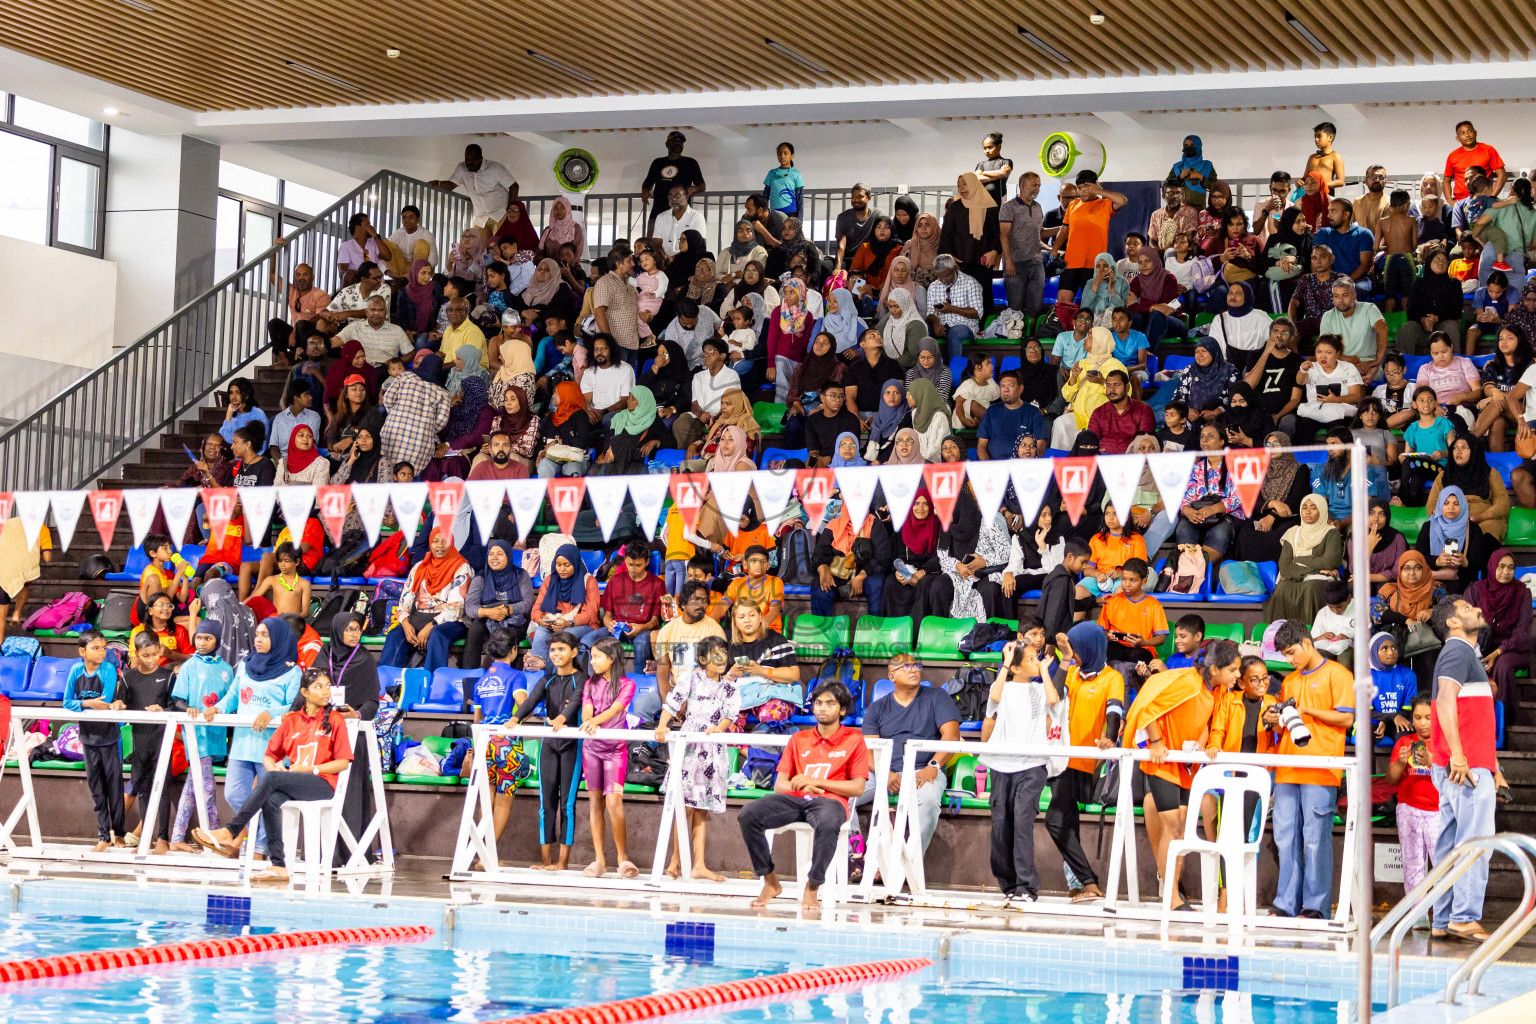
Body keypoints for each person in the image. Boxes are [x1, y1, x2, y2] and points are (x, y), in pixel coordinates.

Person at [193, 667, 352, 882]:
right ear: (304, 692)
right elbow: (269, 756)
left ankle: (230, 831)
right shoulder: (292, 720)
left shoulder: (335, 720)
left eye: (327, 687)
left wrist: (312, 769)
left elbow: (342, 762)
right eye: (318, 687)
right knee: (271, 799)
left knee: (272, 779)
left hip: (322, 783)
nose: (325, 691)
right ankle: (279, 865)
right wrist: (272, 767)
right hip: (296, 780)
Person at [1122, 641, 1243, 907]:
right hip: (1163, 760)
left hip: (1185, 765)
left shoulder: (1214, 689)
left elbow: (1203, 721)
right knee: (1172, 825)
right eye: (1233, 669)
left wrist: (1201, 743)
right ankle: (1171, 896)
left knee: (1182, 825)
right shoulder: (1189, 682)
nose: (1237, 674)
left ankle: (1174, 891)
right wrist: (1155, 743)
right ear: (1214, 669)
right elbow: (1149, 709)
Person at [739, 679, 869, 911]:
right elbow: (780, 785)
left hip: (831, 802)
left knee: (829, 823)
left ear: (842, 709)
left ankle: (812, 886)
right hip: (797, 798)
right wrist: (802, 787)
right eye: (818, 703)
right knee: (749, 814)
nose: (822, 708)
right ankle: (770, 882)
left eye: (830, 703)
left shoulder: (854, 739)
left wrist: (815, 782)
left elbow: (858, 788)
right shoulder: (799, 738)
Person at [1269, 619, 1357, 918]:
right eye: (1285, 655)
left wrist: (1307, 712)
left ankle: (1315, 907)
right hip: (1287, 767)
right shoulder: (1290, 681)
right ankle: (1285, 904)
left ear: (1308, 644)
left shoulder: (1338, 674)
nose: (1289, 659)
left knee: (1315, 840)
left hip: (1321, 767)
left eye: (1292, 652)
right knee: (1285, 838)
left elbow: (1347, 719)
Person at [1427, 597, 1502, 941]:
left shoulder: (1465, 653)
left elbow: (1476, 718)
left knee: (1450, 844)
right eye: (1467, 608)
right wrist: (1460, 756)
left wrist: (1494, 764)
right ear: (1454, 623)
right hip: (1464, 767)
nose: (1475, 609)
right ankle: (1463, 916)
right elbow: (1444, 701)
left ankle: (1443, 920)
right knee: (1475, 842)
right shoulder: (1457, 649)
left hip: (1468, 763)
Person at [204, 617, 302, 860]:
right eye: (257, 634)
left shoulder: (292, 671)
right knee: (234, 794)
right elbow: (232, 696)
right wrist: (218, 708)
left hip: (273, 747)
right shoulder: (245, 665)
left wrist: (271, 713)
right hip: (242, 743)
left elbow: (293, 707)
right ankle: (258, 840)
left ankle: (259, 849)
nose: (258, 639)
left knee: (267, 797)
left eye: (265, 635)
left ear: (278, 638)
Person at [977, 636, 1061, 907]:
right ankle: (1009, 884)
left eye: (1038, 658)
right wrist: (1005, 663)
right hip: (1001, 765)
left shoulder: (1040, 690)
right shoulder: (1002, 687)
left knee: (1022, 823)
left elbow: (1052, 700)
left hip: (1032, 765)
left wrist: (1045, 671)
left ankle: (1026, 886)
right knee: (1001, 825)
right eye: (1032, 660)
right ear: (1015, 667)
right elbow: (994, 698)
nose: (1037, 662)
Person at [1045, 623, 1124, 904]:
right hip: (1060, 758)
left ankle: (1089, 882)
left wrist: (1110, 737)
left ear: (1091, 647)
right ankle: (1080, 884)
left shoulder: (1112, 678)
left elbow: (1114, 709)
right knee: (1066, 822)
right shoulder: (1072, 674)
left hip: (1084, 762)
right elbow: (1054, 697)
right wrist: (1065, 661)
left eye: (1075, 649)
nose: (1073, 653)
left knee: (1055, 821)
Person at [652, 632, 740, 881]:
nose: (721, 658)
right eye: (715, 654)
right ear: (702, 658)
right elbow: (672, 703)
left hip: (713, 747)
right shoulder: (690, 678)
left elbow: (729, 715)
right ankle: (675, 861)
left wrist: (718, 730)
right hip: (689, 745)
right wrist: (662, 725)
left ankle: (698, 865)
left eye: (724, 653)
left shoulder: (730, 686)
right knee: (685, 805)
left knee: (701, 809)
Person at [853, 652, 960, 855]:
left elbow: (952, 737)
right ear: (891, 676)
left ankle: (906, 864)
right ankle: (855, 852)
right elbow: (867, 750)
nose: (913, 670)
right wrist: (885, 773)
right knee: (843, 795)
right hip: (884, 773)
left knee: (928, 803)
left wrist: (934, 766)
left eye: (916, 666)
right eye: (906, 667)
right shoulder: (877, 708)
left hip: (924, 770)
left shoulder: (938, 697)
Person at [506, 630, 584, 871]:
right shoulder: (547, 679)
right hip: (549, 744)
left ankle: (562, 863)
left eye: (561, 649)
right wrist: (516, 719)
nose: (556, 654)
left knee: (566, 805)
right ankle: (546, 862)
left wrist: (561, 718)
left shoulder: (581, 679)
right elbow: (531, 701)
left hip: (572, 744)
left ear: (573, 652)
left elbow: (577, 701)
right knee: (546, 803)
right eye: (553, 650)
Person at [578, 637, 637, 878]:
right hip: (591, 748)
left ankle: (622, 858)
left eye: (597, 657)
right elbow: (586, 709)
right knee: (595, 803)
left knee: (614, 803)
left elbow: (615, 710)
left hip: (615, 749)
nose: (593, 662)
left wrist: (593, 722)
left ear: (611, 658)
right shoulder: (589, 684)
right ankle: (599, 859)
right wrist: (587, 720)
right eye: (591, 657)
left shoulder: (627, 684)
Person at [377, 527, 472, 672]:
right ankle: (386, 686)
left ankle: (432, 683)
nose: (439, 546)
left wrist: (430, 626)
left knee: (437, 635)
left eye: (444, 541)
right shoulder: (420, 567)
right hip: (418, 618)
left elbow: (456, 608)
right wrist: (406, 623)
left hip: (450, 621)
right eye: (435, 541)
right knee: (395, 635)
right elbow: (405, 601)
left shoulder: (461, 567)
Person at [64, 631, 127, 851]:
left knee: (114, 788)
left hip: (109, 739)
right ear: (82, 651)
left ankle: (119, 833)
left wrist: (83, 703)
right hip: (87, 738)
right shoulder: (75, 671)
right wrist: (88, 704)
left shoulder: (108, 670)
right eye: (96, 648)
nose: (102, 652)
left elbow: (106, 702)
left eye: (103, 648)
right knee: (96, 788)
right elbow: (66, 702)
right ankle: (103, 835)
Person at [1387, 695, 1441, 896]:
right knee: (1413, 867)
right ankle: (1418, 918)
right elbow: (1391, 780)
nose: (1422, 723)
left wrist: (1431, 760)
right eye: (1417, 718)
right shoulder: (1404, 742)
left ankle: (1444, 918)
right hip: (1408, 809)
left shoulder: (1444, 743)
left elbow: (1455, 774)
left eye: (1428, 717)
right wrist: (1400, 763)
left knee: (1443, 867)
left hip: (1439, 811)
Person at [1261, 493, 1342, 624]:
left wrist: (1298, 560)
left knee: (1312, 587)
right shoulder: (1292, 533)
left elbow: (1329, 562)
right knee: (1282, 588)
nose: (1308, 512)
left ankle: (1312, 635)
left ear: (1321, 510)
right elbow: (1285, 567)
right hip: (1296, 576)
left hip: (1321, 580)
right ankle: (1281, 635)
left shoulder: (1331, 532)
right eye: (1304, 508)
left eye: (1313, 508)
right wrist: (1314, 570)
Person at [1465, 550, 1531, 701]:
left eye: (1510, 567)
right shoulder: (1475, 590)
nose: (1506, 572)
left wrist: (1498, 652)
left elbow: (1522, 633)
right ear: (1492, 566)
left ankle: (1504, 718)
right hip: (1480, 647)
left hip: (1512, 649)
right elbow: (1464, 622)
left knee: (1503, 666)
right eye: (1501, 566)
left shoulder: (1522, 593)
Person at [1051, 170, 1129, 300]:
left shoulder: (1105, 204)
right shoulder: (1072, 205)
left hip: (1095, 265)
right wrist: (1054, 249)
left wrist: (1098, 190)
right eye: (1080, 188)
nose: (1083, 191)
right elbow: (1064, 230)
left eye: (1086, 187)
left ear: (1095, 185)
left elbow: (1123, 200)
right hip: (1071, 262)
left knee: (1092, 306)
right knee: (1063, 304)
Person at [526, 544, 602, 670]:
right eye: (558, 565)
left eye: (567, 565)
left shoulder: (588, 581)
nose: (562, 569)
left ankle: (551, 674)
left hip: (581, 626)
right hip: (554, 624)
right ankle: (539, 675)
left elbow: (591, 613)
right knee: (539, 632)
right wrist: (541, 620)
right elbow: (536, 608)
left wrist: (569, 623)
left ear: (575, 563)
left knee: (562, 636)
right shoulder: (550, 580)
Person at [460, 539, 533, 669]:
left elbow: (527, 603)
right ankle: (469, 674)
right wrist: (489, 613)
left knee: (506, 636)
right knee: (475, 629)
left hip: (515, 621)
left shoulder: (521, 575)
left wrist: (507, 610)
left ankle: (501, 674)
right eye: (491, 554)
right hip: (488, 619)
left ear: (508, 555)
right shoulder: (481, 578)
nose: (494, 557)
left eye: (499, 554)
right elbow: (470, 607)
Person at [601, 546, 666, 672]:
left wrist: (640, 627)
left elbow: (655, 621)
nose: (634, 569)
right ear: (624, 560)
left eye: (639, 565)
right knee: (590, 639)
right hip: (617, 628)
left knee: (641, 646)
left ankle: (640, 683)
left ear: (647, 562)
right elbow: (607, 615)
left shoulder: (657, 584)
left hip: (642, 630)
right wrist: (610, 624)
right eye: (630, 564)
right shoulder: (615, 580)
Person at [672, 339, 741, 451]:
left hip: (723, 417)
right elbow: (694, 404)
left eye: (711, 352)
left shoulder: (732, 376)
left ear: (723, 356)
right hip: (702, 416)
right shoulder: (698, 376)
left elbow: (732, 406)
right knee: (681, 422)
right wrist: (700, 413)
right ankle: (687, 457)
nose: (706, 356)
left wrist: (716, 418)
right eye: (704, 352)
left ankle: (704, 455)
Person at [1293, 335, 1364, 443]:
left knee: (1337, 433)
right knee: (1303, 430)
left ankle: (1337, 459)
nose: (1323, 356)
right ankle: (1303, 459)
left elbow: (1356, 396)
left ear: (1338, 353)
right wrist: (1303, 370)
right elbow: (1300, 381)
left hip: (1340, 413)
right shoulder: (1311, 367)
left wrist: (1336, 400)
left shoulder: (1348, 368)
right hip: (1314, 412)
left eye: (1328, 353)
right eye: (1319, 352)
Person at [430, 144, 518, 226]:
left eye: (473, 159)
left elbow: (514, 186)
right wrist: (438, 183)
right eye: (467, 160)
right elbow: (451, 184)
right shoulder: (462, 168)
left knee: (499, 242)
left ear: (481, 158)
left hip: (500, 215)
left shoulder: (495, 168)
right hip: (481, 218)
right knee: (475, 241)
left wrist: (510, 210)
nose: (469, 163)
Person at [1320, 279, 1387, 383]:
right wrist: (1346, 359)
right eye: (1336, 296)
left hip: (1366, 364)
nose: (1340, 300)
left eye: (1345, 295)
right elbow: (1324, 348)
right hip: (1339, 363)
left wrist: (1377, 360)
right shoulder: (1328, 316)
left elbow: (1382, 329)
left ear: (1354, 295)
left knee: (1358, 379)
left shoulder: (1369, 309)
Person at [999, 170, 1045, 318]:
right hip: (1015, 263)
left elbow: (1039, 232)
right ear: (1022, 186)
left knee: (1036, 305)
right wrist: (1009, 262)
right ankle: (1017, 337)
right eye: (1033, 185)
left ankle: (1031, 338)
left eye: (1038, 185)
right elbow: (1004, 236)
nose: (1037, 188)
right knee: (1016, 306)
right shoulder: (1008, 207)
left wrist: (1064, 228)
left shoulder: (1038, 207)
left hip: (1035, 262)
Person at [924, 255, 983, 360]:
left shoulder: (970, 283)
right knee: (924, 331)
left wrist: (952, 309)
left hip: (964, 325)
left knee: (955, 333)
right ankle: (928, 370)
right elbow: (929, 313)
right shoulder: (934, 286)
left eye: (946, 276)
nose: (942, 280)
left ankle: (954, 372)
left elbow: (977, 313)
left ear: (955, 268)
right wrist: (936, 323)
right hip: (942, 325)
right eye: (939, 276)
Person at [1086, 370, 1155, 455]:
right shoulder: (1098, 412)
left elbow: (1145, 442)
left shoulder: (1144, 410)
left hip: (1134, 461)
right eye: (1108, 385)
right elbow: (1091, 441)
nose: (1111, 389)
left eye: (1117, 385)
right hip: (1105, 461)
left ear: (1127, 388)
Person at [1444, 121, 1507, 204]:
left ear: (1475, 133)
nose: (1467, 135)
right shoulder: (1453, 156)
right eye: (1463, 133)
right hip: (1460, 202)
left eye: (1469, 131)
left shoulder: (1488, 150)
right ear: (1457, 138)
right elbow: (1446, 180)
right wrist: (1450, 201)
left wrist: (1491, 198)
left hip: (1484, 201)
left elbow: (1502, 175)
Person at [763, 141, 803, 217]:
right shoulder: (772, 173)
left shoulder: (796, 174)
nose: (782, 156)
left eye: (785, 153)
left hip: (790, 212)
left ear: (792, 156)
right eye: (779, 153)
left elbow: (799, 198)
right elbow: (765, 195)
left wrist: (799, 219)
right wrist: (763, 213)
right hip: (774, 212)